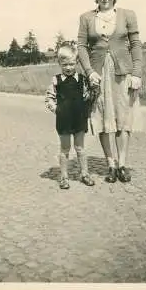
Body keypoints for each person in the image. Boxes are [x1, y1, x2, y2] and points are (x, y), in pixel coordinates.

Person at [77, 0, 143, 183]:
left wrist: (137, 73)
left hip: (122, 74)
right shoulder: (86, 18)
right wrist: (89, 72)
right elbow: (81, 47)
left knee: (123, 118)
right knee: (103, 119)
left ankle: (122, 164)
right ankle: (111, 165)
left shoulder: (127, 15)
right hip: (98, 75)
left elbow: (136, 45)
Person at [45, 41, 95, 190]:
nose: (68, 68)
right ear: (60, 63)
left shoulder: (82, 79)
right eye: (65, 65)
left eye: (72, 64)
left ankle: (84, 174)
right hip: (64, 120)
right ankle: (64, 177)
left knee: (80, 148)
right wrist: (57, 110)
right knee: (65, 149)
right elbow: (49, 99)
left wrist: (91, 95)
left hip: (79, 119)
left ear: (76, 63)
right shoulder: (56, 80)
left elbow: (86, 96)